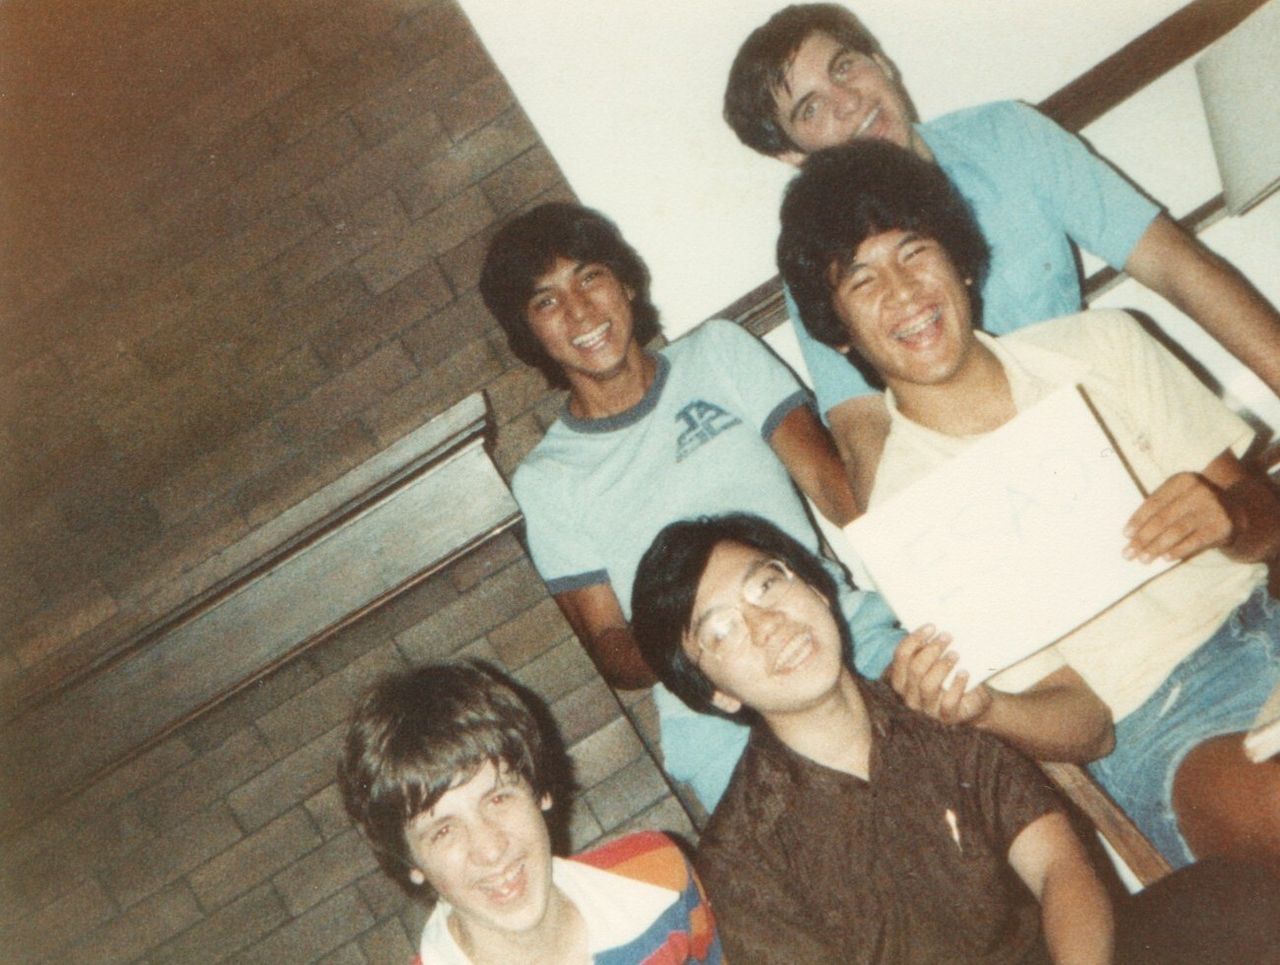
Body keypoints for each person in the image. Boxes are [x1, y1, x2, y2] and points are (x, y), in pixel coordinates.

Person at [776, 140, 1280, 871]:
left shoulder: (1102, 345)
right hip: (1164, 723)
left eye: (915, 252)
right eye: (863, 280)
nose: (904, 292)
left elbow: (1268, 524)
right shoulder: (907, 519)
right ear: (841, 331)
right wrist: (985, 709)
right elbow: (1089, 727)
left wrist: (1231, 517)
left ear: (961, 260)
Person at [631, 512, 1280, 964]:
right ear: (717, 692)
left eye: (767, 584)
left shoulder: (937, 708)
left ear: (816, 588)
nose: (768, 623)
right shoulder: (743, 859)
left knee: (1243, 894)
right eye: (723, 631)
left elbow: (1058, 865)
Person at [725, 3, 1280, 501]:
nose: (848, 102)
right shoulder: (818, 256)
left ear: (882, 62)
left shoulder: (1007, 136)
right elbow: (863, 432)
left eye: (845, 67)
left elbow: (1179, 268)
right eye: (811, 109)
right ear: (792, 155)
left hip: (1115, 425)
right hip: (993, 493)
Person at [480, 201, 902, 810]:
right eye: (546, 302)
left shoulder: (718, 354)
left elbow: (834, 487)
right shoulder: (548, 480)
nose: (580, 311)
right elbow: (610, 646)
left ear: (626, 282)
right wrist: (705, 644)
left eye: (590, 277)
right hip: (713, 714)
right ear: (530, 336)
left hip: (843, 636)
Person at [336, 660, 723, 964]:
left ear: (539, 791)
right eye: (443, 830)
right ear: (411, 861)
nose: (490, 850)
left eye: (498, 799)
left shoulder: (657, 875)